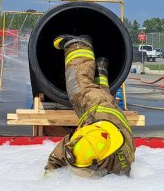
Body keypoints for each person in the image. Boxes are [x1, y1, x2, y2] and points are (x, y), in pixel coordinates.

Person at [45, 34, 135, 176]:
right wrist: (50, 171)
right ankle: (78, 45)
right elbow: (64, 150)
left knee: (103, 94)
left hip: (117, 120)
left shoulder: (121, 167)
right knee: (79, 88)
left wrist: (51, 172)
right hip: (98, 110)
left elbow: (66, 150)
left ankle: (100, 68)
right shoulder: (113, 164)